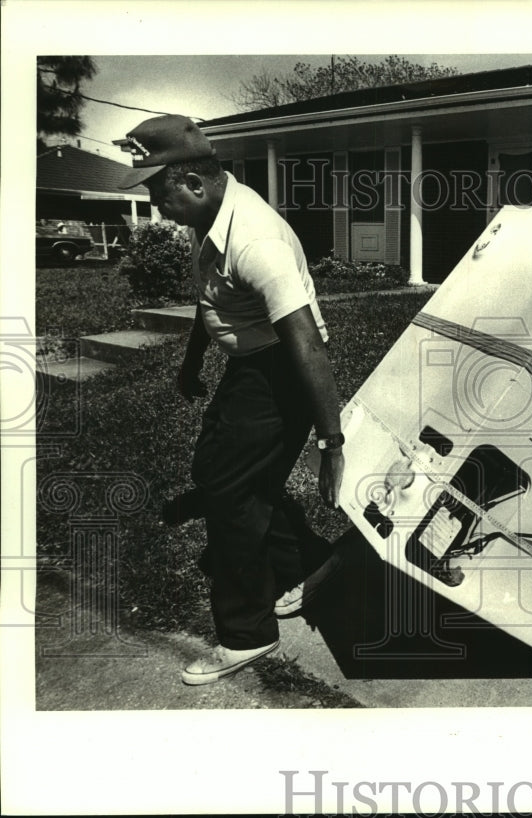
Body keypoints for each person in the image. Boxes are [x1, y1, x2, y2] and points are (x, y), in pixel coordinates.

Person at [117, 115, 346, 684]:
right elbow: (212, 296)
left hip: (281, 370)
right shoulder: (211, 214)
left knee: (228, 490)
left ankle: (247, 634)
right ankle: (308, 566)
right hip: (253, 365)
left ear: (192, 183)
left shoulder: (256, 240)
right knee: (231, 476)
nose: (155, 204)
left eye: (156, 190)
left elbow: (308, 344)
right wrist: (194, 359)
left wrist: (331, 441)